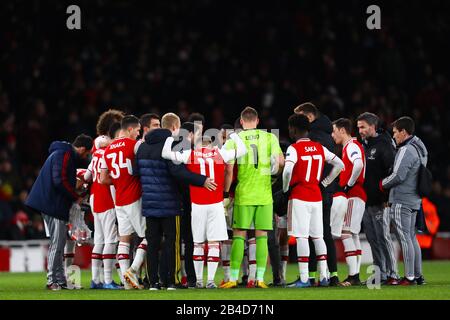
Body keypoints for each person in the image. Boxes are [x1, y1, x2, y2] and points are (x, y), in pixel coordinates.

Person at [135, 113, 217, 290]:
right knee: (172, 242)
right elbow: (177, 172)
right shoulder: (172, 144)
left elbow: (136, 173)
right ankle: (172, 281)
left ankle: (153, 282)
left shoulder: (142, 147)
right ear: (174, 128)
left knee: (153, 243)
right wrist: (201, 180)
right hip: (169, 203)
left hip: (149, 203)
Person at [162, 122, 247, 288]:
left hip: (198, 205)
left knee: (198, 244)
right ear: (212, 144)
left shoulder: (191, 154)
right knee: (214, 243)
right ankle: (210, 281)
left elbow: (166, 154)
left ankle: (199, 280)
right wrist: (234, 136)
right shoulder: (219, 154)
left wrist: (169, 138)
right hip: (215, 204)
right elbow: (243, 150)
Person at [220, 106, 285, 289]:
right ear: (257, 121)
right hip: (264, 194)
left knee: (239, 236)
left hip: (244, 194)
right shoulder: (270, 137)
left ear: (241, 122)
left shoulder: (236, 138)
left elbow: (229, 168)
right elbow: (281, 162)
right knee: (262, 237)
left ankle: (233, 278)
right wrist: (272, 176)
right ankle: (260, 278)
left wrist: (225, 193)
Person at [283, 114, 344, 287]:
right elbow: (340, 164)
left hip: (300, 196)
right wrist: (325, 182)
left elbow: (287, 171)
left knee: (302, 237)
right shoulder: (319, 147)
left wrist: (286, 188)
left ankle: (304, 279)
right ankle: (324, 276)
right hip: (316, 196)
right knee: (318, 237)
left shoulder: (294, 149)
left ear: (293, 129)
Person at [25, 134, 93, 290]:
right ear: (82, 148)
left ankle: (60, 279)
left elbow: (60, 179)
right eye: (87, 153)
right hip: (52, 204)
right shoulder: (64, 154)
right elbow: (59, 180)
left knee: (60, 242)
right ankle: (52, 280)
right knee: (57, 243)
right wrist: (75, 196)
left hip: (54, 203)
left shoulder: (63, 154)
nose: (86, 156)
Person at [100, 115, 147, 290]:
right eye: (137, 130)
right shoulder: (135, 145)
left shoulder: (108, 149)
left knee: (124, 240)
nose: (138, 133)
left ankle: (128, 283)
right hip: (134, 197)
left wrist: (119, 181)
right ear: (129, 129)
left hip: (119, 199)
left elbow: (103, 179)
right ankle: (133, 270)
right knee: (149, 235)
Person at [381, 116, 428, 285]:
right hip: (414, 198)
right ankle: (417, 275)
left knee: (404, 238)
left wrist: (382, 184)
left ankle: (409, 277)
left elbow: (398, 175)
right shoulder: (420, 147)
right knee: (411, 237)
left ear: (403, 132)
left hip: (402, 199)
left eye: (395, 133)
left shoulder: (406, 150)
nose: (394, 136)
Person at [356, 112, 400, 285]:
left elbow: (392, 172)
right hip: (366, 200)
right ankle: (380, 274)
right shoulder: (363, 145)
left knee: (384, 237)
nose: (360, 130)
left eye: (363, 127)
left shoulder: (384, 145)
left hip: (381, 201)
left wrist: (388, 197)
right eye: (358, 127)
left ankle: (393, 274)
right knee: (373, 238)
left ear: (373, 127)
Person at [83, 135, 122, 289]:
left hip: (94, 199)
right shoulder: (109, 155)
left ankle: (95, 280)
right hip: (106, 200)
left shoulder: (94, 157)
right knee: (111, 240)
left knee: (98, 240)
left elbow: (87, 177)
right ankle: (107, 280)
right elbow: (111, 182)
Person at [331, 118, 366, 286]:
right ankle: (355, 275)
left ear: (342, 130)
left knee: (345, 232)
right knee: (352, 233)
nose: (332, 134)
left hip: (353, 193)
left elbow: (358, 164)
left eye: (334, 131)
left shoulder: (351, 146)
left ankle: (353, 276)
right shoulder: (351, 146)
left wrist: (348, 185)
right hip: (358, 194)